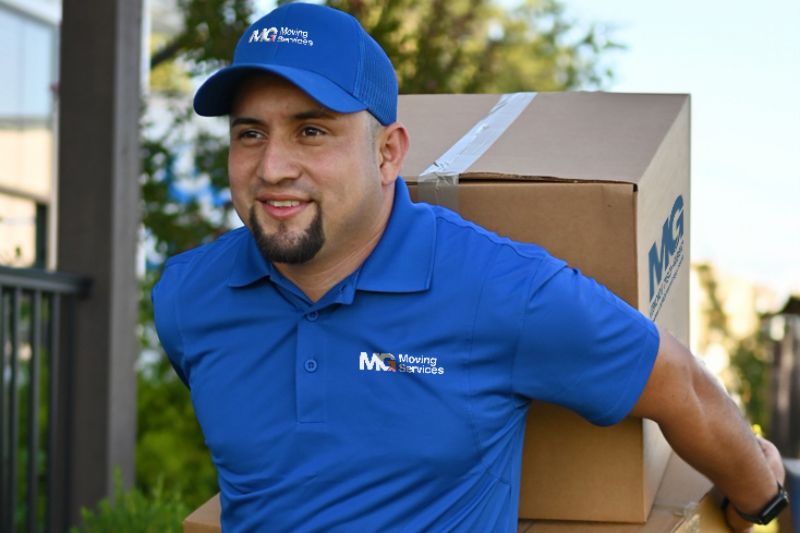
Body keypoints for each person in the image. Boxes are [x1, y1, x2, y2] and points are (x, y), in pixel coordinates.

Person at [153, 3, 787, 532]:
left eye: (311, 132)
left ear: (387, 153)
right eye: (250, 133)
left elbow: (680, 385)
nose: (272, 168)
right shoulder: (190, 298)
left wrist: (761, 497)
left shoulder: (497, 288)